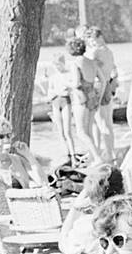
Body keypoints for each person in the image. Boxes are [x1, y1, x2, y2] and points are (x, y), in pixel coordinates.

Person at [58, 162, 124, 254]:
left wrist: (75, 208)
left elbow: (63, 244)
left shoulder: (83, 227)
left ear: (90, 198)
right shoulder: (130, 223)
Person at [0, 117, 47, 192]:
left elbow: (43, 182)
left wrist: (28, 155)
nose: (6, 140)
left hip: (22, 203)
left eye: (9, 135)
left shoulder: (18, 160)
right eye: (1, 136)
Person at [66, 37, 102, 161]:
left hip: (80, 98)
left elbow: (76, 83)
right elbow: (102, 80)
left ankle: (97, 158)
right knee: (89, 130)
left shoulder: (75, 63)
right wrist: (99, 96)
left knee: (81, 132)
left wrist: (67, 84)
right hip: (92, 95)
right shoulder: (92, 62)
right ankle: (93, 158)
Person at [85, 27, 118, 162]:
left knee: (101, 123)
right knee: (105, 123)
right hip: (108, 85)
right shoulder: (109, 51)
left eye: (93, 40)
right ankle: (106, 151)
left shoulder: (96, 52)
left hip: (99, 86)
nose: (92, 43)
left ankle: (108, 154)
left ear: (99, 38)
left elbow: (86, 63)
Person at [47, 53, 78, 162]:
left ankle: (73, 155)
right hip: (56, 102)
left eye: (59, 65)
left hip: (65, 102)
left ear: (63, 64)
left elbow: (71, 89)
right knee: (60, 131)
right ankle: (66, 154)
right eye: (55, 65)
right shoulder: (53, 77)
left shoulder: (68, 74)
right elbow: (49, 93)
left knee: (67, 131)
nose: (57, 67)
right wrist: (56, 92)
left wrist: (64, 90)